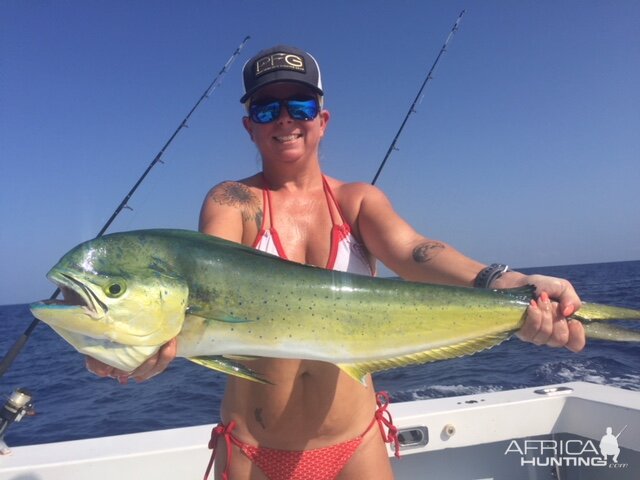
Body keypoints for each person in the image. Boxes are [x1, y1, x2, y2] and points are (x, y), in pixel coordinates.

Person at [86, 45, 586, 479]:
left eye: (299, 104)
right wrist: (134, 345)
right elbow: (204, 278)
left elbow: (415, 253)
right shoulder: (231, 201)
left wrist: (508, 282)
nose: (285, 118)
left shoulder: (357, 202)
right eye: (265, 108)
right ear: (249, 126)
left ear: (321, 120)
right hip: (253, 450)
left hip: (356, 442)